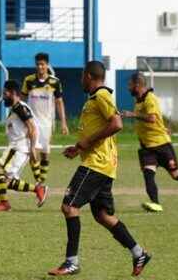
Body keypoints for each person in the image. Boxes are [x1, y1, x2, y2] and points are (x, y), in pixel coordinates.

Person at [48, 61, 151, 277]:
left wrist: (86, 143)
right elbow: (100, 130)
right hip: (104, 164)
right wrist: (78, 148)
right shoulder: (96, 98)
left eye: (82, 77)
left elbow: (116, 124)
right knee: (103, 215)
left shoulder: (102, 96)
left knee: (69, 207)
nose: (80, 81)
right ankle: (138, 252)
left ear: (88, 76)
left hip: (96, 164)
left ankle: (71, 262)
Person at [121, 73, 178, 212]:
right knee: (148, 174)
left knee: (175, 175)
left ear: (138, 85)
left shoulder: (150, 99)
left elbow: (152, 118)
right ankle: (156, 204)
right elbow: (156, 119)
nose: (128, 88)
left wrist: (132, 115)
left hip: (161, 145)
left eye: (130, 85)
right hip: (147, 147)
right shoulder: (139, 100)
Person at [0, 80, 49, 212]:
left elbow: (32, 127)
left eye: (5, 93)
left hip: (19, 148)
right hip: (16, 147)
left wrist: (33, 147)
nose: (3, 96)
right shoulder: (16, 108)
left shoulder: (19, 107)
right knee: (5, 179)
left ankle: (5, 203)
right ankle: (36, 189)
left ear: (13, 93)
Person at [21, 52, 69, 185]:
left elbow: (59, 102)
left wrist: (63, 123)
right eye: (37, 64)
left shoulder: (55, 82)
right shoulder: (29, 80)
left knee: (45, 153)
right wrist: (20, 118)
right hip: (32, 122)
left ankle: (41, 181)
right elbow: (22, 101)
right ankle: (39, 182)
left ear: (47, 65)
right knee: (33, 151)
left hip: (47, 123)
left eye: (42, 64)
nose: (40, 67)